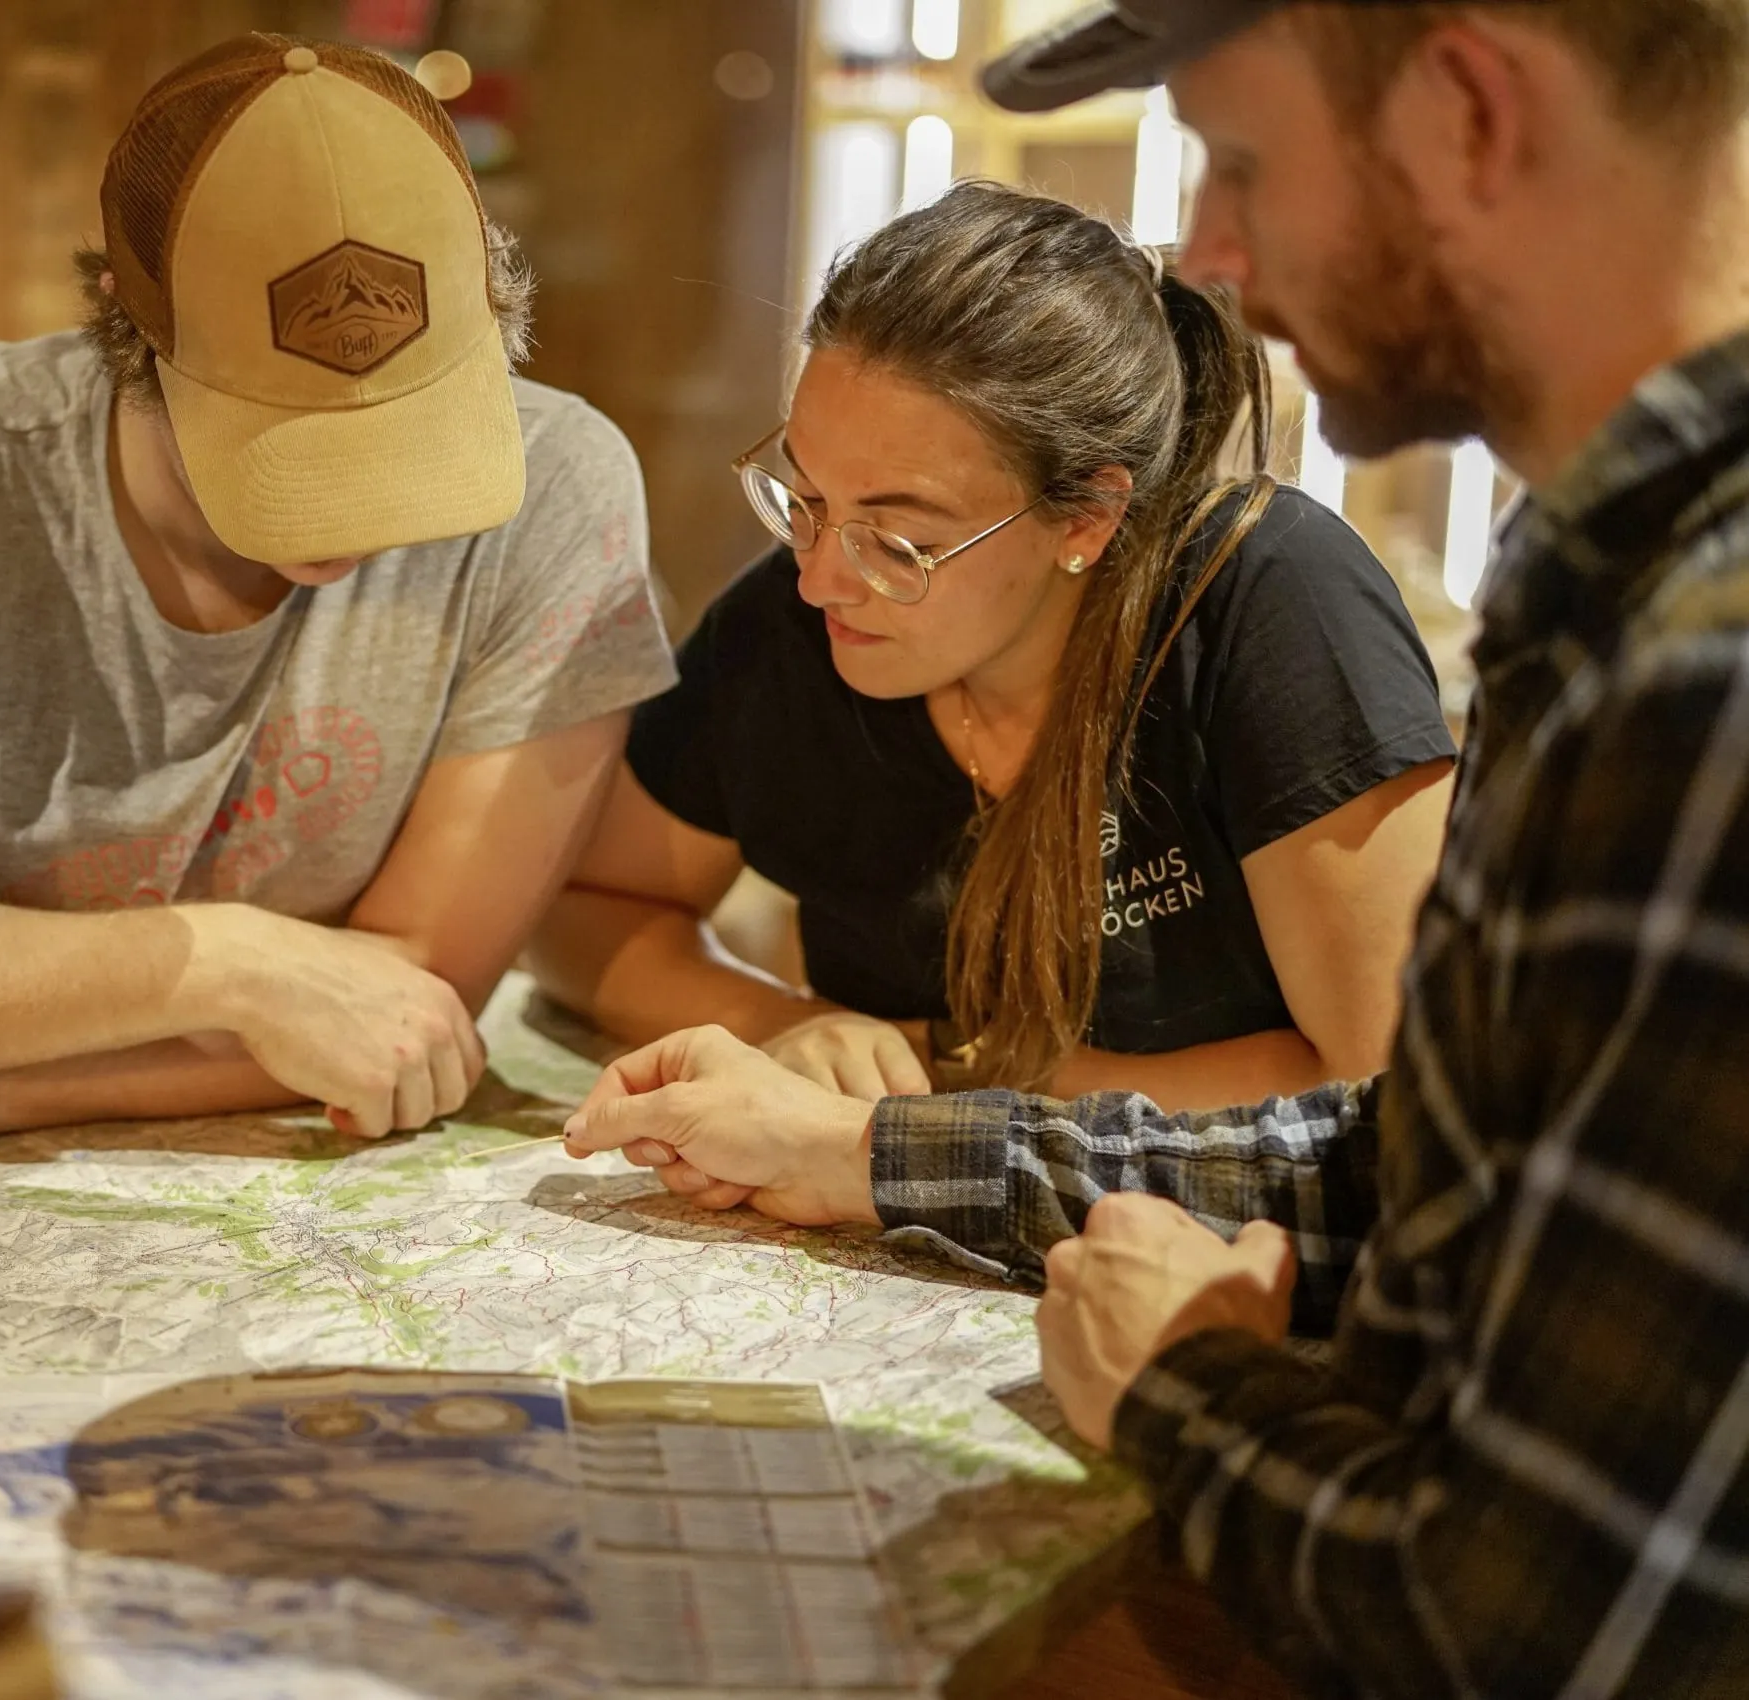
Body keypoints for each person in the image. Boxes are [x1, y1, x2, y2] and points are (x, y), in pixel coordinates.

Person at [562, 0, 1749, 1689]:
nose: (1207, 251)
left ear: (1475, 110)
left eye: (1244, 162)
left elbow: (1518, 1620)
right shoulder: (1615, 603)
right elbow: (1424, 1178)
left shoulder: (1704, 684)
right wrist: (887, 1159)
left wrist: (1187, 1401)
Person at [0, 36, 675, 1169]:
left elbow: (404, 1014)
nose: (359, 512)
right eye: (285, 433)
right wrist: (222, 961)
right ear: (123, 321)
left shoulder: (559, 490)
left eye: (406, 426)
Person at [531, 180, 1454, 1111]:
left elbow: (1388, 1088)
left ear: (1087, 518)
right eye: (805, 498)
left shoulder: (1269, 598)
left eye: (903, 542)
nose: (820, 580)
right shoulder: (791, 622)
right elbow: (583, 914)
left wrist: (947, 1091)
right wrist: (785, 1023)